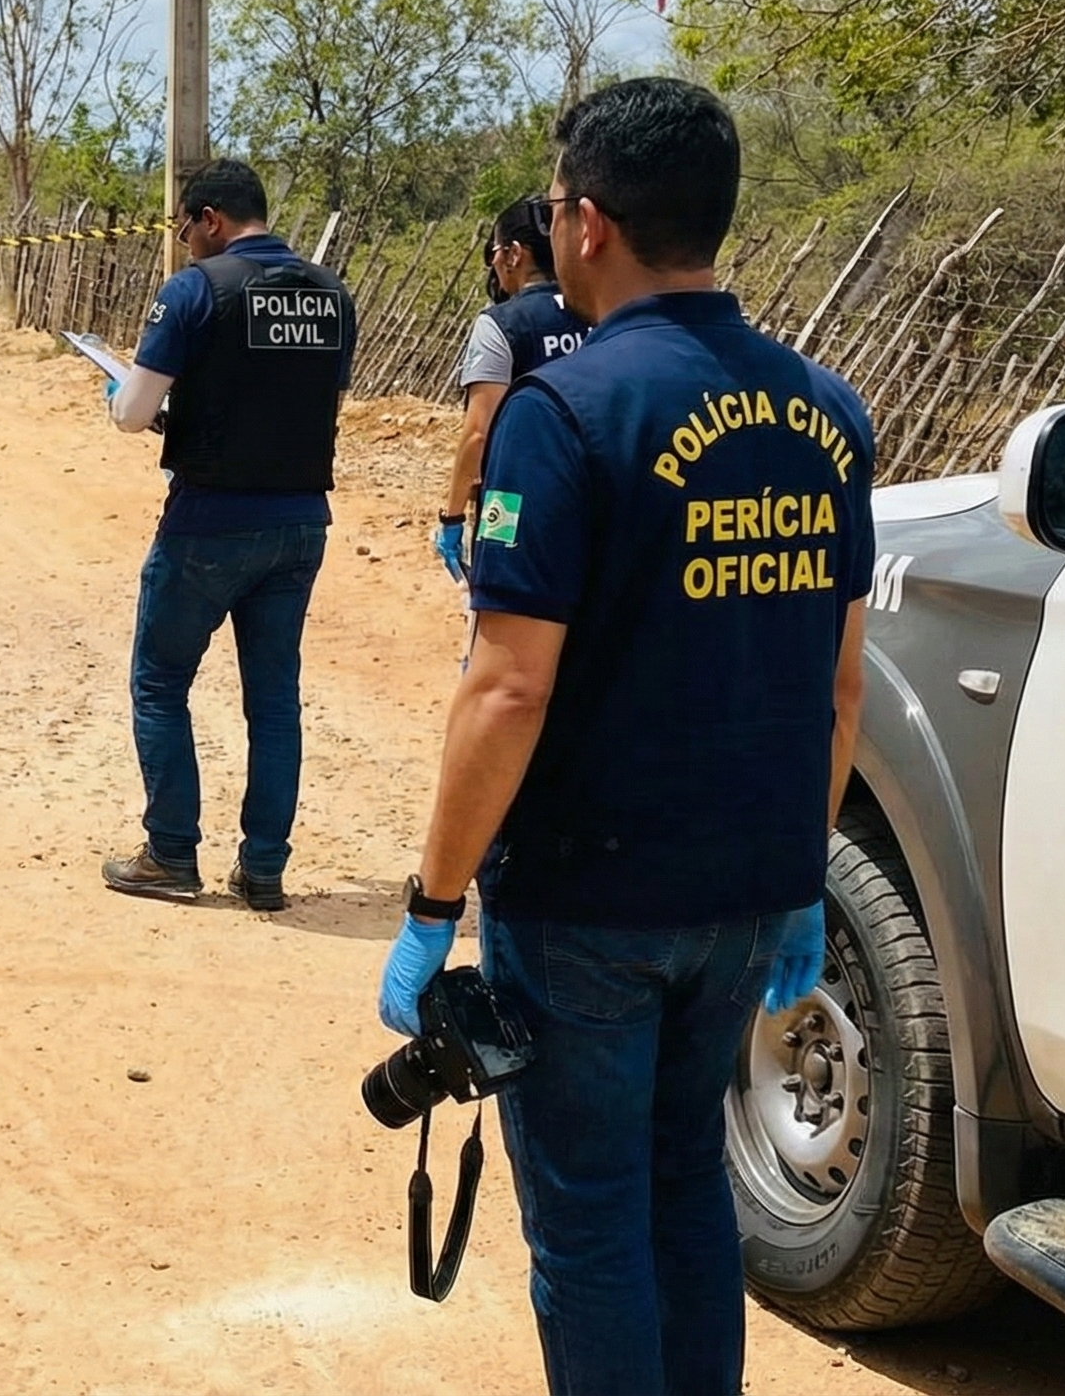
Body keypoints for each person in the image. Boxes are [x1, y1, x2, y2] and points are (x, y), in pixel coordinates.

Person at [373, 77, 875, 1395]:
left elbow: (506, 690)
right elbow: (840, 689)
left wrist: (432, 906)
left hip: (589, 906)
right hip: (748, 897)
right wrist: (797, 882)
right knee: (684, 1198)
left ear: (590, 223)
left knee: (591, 1226)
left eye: (553, 209)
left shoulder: (569, 415)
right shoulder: (831, 415)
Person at [100, 158, 355, 913]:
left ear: (210, 217)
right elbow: (303, 400)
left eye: (184, 227)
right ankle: (264, 869)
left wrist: (121, 389)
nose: (182, 242)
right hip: (302, 522)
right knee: (274, 701)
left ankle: (172, 854)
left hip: (210, 523)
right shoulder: (334, 296)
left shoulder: (195, 292)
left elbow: (133, 415)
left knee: (160, 682)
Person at [435, 197, 588, 579]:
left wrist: (452, 518)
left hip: (511, 499)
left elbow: (477, 434)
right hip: (593, 493)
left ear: (514, 255)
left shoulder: (499, 324)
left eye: (494, 252)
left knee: (500, 614)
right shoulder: (599, 313)